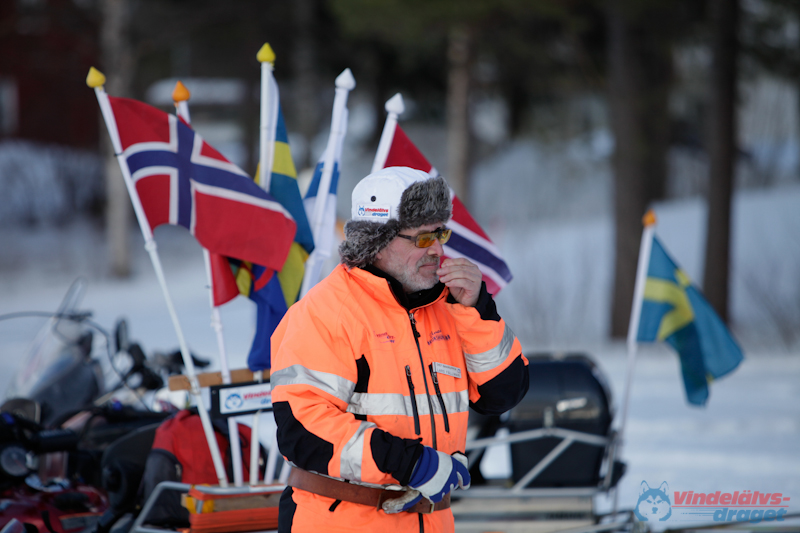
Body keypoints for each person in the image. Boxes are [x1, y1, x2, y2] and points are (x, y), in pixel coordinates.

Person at [270, 167, 529, 533]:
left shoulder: (451, 305)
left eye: (441, 233)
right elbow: (303, 430)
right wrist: (411, 464)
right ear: (377, 241)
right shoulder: (324, 313)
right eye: (423, 238)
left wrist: (476, 311)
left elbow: (503, 394)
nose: (438, 250)